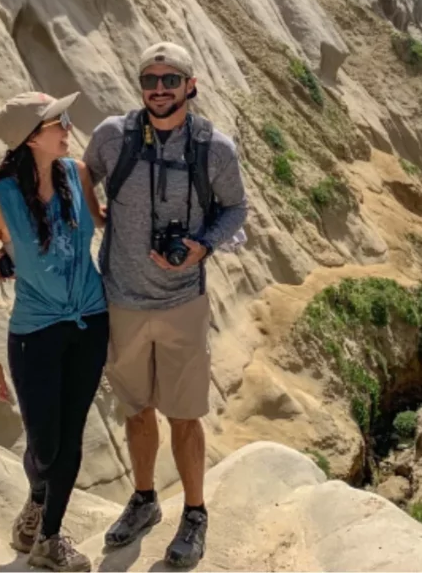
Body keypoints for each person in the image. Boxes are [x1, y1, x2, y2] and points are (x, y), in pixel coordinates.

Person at [84, 42, 248, 570]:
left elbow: (236, 207)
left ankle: (195, 513)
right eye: (150, 79)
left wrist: (203, 244)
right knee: (136, 410)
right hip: (122, 299)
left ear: (190, 85)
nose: (159, 88)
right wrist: (98, 214)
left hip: (182, 302)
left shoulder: (214, 149)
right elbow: (83, 174)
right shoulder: (113, 137)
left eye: (170, 79)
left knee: (184, 414)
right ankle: (144, 499)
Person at [0, 90, 109, 573]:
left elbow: (101, 222)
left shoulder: (77, 174)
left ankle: (49, 538)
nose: (67, 126)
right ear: (31, 138)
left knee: (69, 437)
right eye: (57, 121)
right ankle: (36, 500)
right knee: (44, 444)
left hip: (91, 324)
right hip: (35, 333)